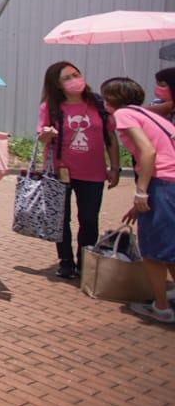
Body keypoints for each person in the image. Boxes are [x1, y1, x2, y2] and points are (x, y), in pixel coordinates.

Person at [98, 77, 175, 323]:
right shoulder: (148, 114)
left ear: (111, 100)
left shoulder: (124, 115)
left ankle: (161, 308)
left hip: (162, 183)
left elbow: (148, 152)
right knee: (170, 248)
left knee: (154, 252)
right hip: (168, 185)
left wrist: (141, 191)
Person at [35, 62, 118, 280]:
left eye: (76, 74)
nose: (74, 80)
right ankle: (66, 261)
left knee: (89, 219)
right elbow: (41, 136)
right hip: (59, 172)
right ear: (57, 84)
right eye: (67, 78)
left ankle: (85, 261)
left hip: (93, 173)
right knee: (60, 219)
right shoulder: (50, 107)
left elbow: (110, 137)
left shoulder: (98, 104)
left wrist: (115, 167)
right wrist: (46, 134)